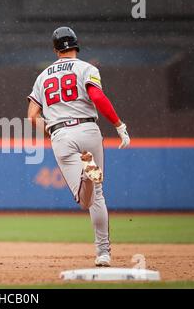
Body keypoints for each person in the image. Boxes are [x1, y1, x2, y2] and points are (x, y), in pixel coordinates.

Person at [27, 26, 130, 267]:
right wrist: (118, 124)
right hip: (88, 131)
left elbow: (32, 115)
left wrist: (52, 131)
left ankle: (86, 175)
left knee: (84, 201)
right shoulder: (86, 68)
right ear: (76, 45)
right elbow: (97, 98)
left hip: (61, 133)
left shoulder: (43, 77)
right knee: (98, 196)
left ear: (55, 50)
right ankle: (103, 253)